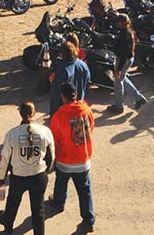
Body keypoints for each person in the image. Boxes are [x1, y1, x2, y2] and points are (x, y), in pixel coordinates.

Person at [0, 101, 55, 235]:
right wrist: (45, 171)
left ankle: (8, 227)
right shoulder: (45, 131)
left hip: (18, 177)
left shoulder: (12, 134)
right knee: (38, 209)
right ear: (34, 113)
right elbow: (51, 156)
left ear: (20, 114)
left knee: (12, 203)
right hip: (38, 176)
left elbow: (4, 159)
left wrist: (1, 178)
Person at [48, 82, 96, 232]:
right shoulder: (86, 110)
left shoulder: (59, 115)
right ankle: (88, 220)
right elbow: (91, 127)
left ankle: (58, 203)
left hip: (65, 160)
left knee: (61, 183)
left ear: (63, 97)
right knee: (84, 190)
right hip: (83, 159)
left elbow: (53, 139)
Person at [108, 13, 147, 114]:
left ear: (122, 22)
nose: (117, 23)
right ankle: (139, 98)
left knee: (118, 83)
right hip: (129, 59)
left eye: (118, 21)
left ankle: (119, 106)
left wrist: (119, 69)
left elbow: (123, 53)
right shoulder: (129, 30)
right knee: (123, 79)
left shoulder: (124, 34)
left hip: (123, 60)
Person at [50, 41, 91, 115]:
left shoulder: (62, 70)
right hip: (79, 107)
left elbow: (56, 94)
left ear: (62, 54)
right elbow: (87, 81)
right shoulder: (83, 65)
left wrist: (53, 113)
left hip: (65, 111)